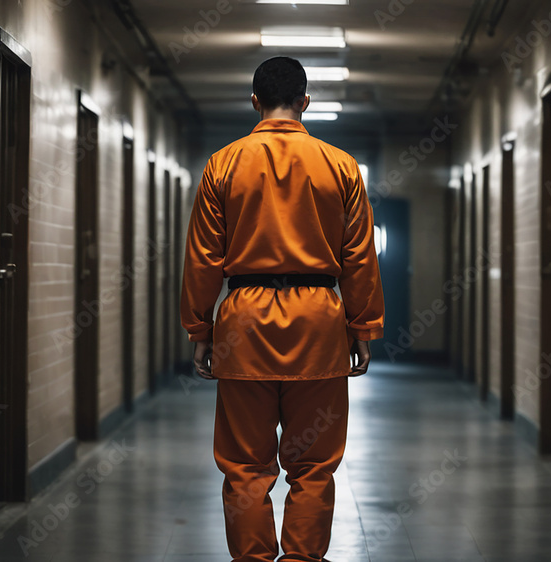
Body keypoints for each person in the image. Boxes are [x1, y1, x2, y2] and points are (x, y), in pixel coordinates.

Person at [180, 55, 385, 562]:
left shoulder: (223, 164)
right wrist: (363, 327)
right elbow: (360, 256)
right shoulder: (341, 166)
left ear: (255, 101)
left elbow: (203, 257)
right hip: (319, 324)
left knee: (245, 467)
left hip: (244, 325)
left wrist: (200, 328)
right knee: (313, 465)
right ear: (304, 102)